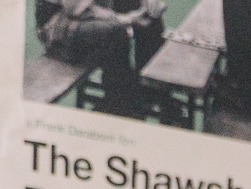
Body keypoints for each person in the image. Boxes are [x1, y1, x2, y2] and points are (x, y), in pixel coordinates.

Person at [32, 0, 164, 120]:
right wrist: (121, 19)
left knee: (151, 17)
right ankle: (120, 105)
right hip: (59, 24)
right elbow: (74, 10)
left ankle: (147, 91)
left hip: (91, 13)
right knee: (116, 34)